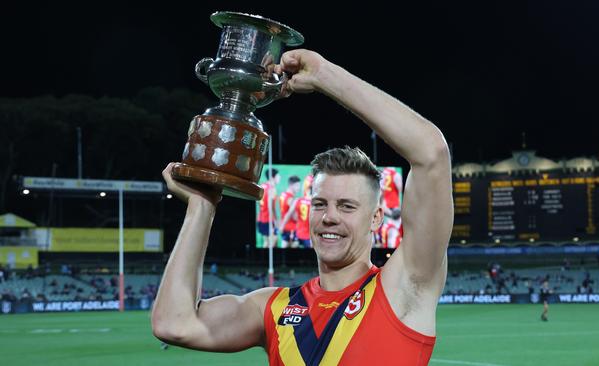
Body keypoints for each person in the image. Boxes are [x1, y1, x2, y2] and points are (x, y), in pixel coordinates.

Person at [152, 49, 452, 365]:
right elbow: (174, 323)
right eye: (320, 204)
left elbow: (431, 153)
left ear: (376, 218)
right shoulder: (274, 307)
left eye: (347, 206)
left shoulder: (404, 288)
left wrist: (324, 76)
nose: (330, 217)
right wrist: (202, 207)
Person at [257, 168, 280, 248]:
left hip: (261, 219)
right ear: (272, 178)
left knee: (267, 242)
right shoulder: (272, 189)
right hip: (269, 220)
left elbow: (259, 202)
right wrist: (276, 221)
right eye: (277, 176)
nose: (279, 178)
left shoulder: (262, 186)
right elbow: (271, 208)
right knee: (272, 242)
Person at [279, 175, 301, 248]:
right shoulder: (291, 199)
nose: (299, 188)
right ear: (291, 185)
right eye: (297, 185)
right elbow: (294, 217)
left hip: (285, 226)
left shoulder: (283, 195)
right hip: (292, 228)